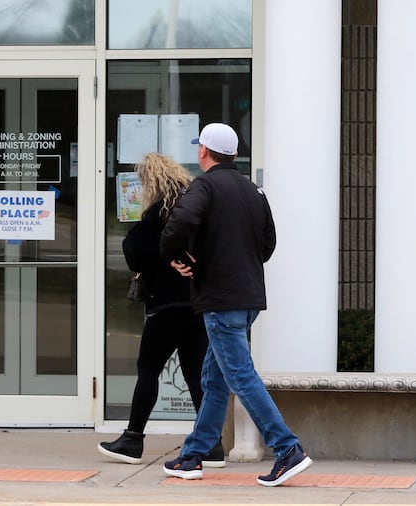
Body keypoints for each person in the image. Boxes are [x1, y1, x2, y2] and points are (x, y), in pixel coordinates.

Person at [158, 123, 312, 486]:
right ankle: (193, 455)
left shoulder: (204, 186)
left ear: (203, 152)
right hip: (247, 298)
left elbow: (181, 222)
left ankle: (287, 448)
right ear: (235, 154)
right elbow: (268, 244)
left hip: (220, 300)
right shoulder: (253, 191)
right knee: (214, 379)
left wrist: (173, 255)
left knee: (241, 376)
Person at [98, 153, 224, 467]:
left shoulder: (159, 213)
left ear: (151, 182)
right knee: (195, 375)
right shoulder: (196, 209)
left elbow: (134, 251)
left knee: (148, 370)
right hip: (196, 305)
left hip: (166, 307)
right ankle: (212, 445)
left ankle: (132, 440)